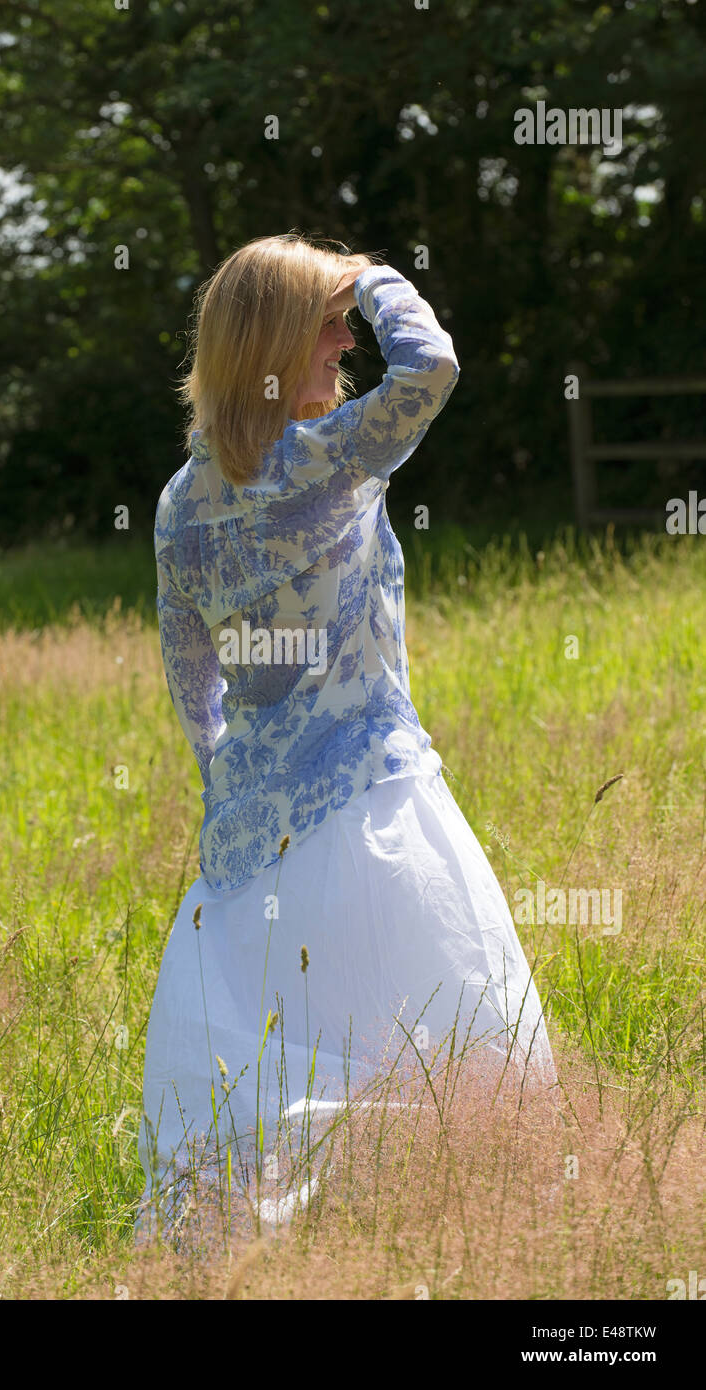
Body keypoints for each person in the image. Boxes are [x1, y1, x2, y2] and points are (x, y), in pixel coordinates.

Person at [135, 232, 557, 1241]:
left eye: (345, 316)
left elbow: (191, 680)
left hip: (248, 845)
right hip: (373, 804)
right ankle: (421, 1233)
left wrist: (232, 782)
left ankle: (306, 1237)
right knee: (420, 1055)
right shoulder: (331, 457)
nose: (344, 340)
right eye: (324, 322)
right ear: (275, 341)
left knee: (285, 1065)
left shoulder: (182, 502)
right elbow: (435, 366)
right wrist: (373, 273)